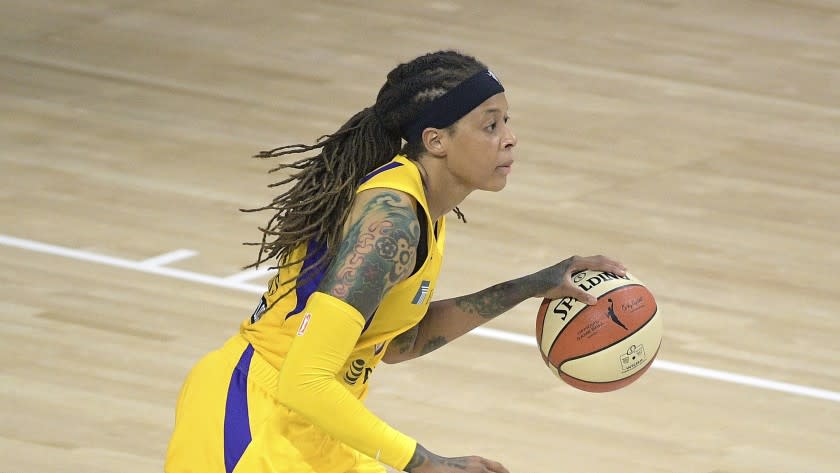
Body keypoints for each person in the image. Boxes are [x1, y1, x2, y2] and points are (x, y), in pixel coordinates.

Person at [165, 49, 627, 473]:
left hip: (321, 420)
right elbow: (303, 381)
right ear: (436, 140)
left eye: (506, 122)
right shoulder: (392, 220)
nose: (509, 139)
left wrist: (530, 286)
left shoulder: (425, 210)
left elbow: (400, 341)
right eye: (490, 125)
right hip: (254, 419)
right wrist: (429, 464)